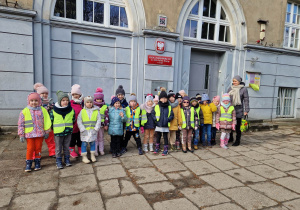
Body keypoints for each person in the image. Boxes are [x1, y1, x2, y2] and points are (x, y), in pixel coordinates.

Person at [18, 93, 51, 172]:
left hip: (39, 134)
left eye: (36, 100)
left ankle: (37, 162)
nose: (34, 102)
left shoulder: (43, 110)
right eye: (31, 101)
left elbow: (47, 121)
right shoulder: (24, 111)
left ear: (39, 101)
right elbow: (21, 123)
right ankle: (28, 163)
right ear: (29, 101)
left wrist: (47, 131)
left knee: (38, 149)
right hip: (29, 134)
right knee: (30, 149)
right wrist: (21, 134)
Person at [50, 91, 75, 169]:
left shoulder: (71, 110)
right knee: (58, 148)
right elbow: (51, 121)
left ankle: (67, 159)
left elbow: (73, 119)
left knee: (66, 146)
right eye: (63, 100)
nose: (66, 102)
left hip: (68, 131)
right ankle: (59, 161)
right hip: (58, 132)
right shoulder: (53, 111)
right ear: (60, 101)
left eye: (67, 100)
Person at [33, 83, 55, 158]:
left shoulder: (50, 103)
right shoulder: (36, 103)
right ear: (38, 94)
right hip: (39, 125)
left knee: (50, 140)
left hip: (49, 125)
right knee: (38, 142)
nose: (45, 95)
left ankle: (52, 152)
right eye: (42, 93)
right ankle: (36, 154)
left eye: (46, 93)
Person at [77, 96, 101, 163]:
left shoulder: (96, 111)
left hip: (93, 130)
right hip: (84, 131)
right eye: (87, 102)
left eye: (90, 102)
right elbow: (79, 120)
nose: (89, 103)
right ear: (85, 103)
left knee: (92, 143)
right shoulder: (82, 111)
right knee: (84, 143)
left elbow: (99, 120)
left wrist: (96, 128)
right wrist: (82, 129)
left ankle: (92, 155)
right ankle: (84, 157)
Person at [227, 75, 250, 146]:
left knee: (237, 127)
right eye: (233, 81)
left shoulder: (243, 89)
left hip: (239, 110)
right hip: (230, 109)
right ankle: (230, 138)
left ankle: (237, 140)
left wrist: (246, 110)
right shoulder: (230, 88)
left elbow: (246, 100)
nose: (234, 82)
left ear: (239, 81)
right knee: (230, 125)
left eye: (235, 81)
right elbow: (226, 98)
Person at [152, 88, 174, 156]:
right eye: (162, 98)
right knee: (158, 136)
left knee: (165, 137)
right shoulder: (157, 106)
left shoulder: (169, 107)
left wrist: (168, 119)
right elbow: (153, 114)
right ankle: (157, 147)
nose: (163, 100)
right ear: (160, 99)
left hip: (165, 124)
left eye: (165, 98)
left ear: (167, 99)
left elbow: (172, 115)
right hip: (158, 124)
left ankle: (166, 149)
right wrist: (155, 119)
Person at [69, 84, 83, 158]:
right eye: (73, 94)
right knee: (72, 139)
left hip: (81, 125)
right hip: (73, 125)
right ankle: (72, 150)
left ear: (79, 94)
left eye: (76, 94)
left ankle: (80, 149)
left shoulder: (82, 103)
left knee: (80, 138)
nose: (75, 96)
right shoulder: (70, 103)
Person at [94, 87, 109, 156]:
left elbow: (106, 116)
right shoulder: (93, 107)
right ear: (95, 99)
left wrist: (106, 125)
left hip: (102, 125)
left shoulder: (105, 106)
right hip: (95, 125)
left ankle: (101, 150)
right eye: (97, 99)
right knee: (95, 138)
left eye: (100, 99)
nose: (99, 100)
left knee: (101, 137)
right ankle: (95, 151)